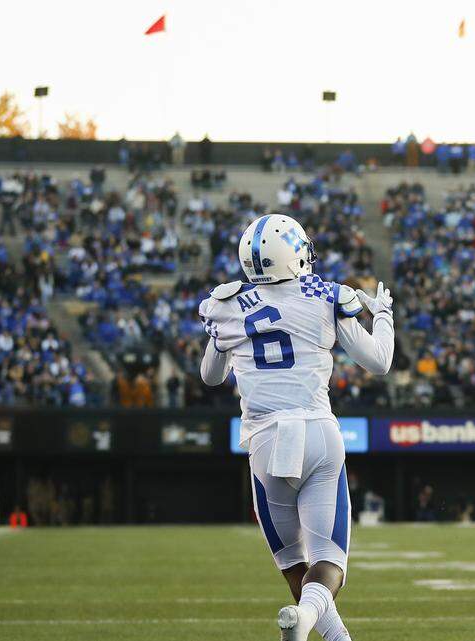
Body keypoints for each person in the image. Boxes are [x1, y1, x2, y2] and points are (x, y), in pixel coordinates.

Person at [198, 213, 395, 641]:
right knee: (330, 563)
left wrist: (224, 341)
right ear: (296, 254)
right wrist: (383, 315)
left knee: (294, 565)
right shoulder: (327, 295)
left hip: (265, 441)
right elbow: (379, 362)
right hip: (319, 433)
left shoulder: (226, 304)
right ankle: (304, 622)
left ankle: (319, 631)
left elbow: (211, 377)